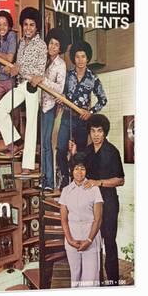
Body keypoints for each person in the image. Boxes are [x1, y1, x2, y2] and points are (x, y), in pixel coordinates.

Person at [69, 114, 125, 286]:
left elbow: (120, 180)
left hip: (108, 203)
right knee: (91, 244)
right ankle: (95, 283)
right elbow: (77, 169)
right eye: (93, 131)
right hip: (90, 205)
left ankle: (113, 282)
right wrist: (73, 154)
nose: (96, 135)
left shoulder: (112, 151)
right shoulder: (86, 151)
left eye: (99, 131)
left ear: (105, 132)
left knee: (109, 242)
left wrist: (99, 182)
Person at [0, 7, 47, 177]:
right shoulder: (22, 42)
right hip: (20, 85)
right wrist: (13, 70)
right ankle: (16, 143)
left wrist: (20, 71)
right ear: (22, 26)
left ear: (36, 27)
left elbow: (39, 71)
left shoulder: (41, 45)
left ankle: (28, 165)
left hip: (33, 87)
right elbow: (18, 65)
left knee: (31, 125)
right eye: (25, 24)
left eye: (32, 25)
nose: (28, 28)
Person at [56, 40, 107, 188]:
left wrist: (90, 112)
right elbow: (60, 94)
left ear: (88, 58)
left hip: (83, 120)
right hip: (67, 117)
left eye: (83, 57)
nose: (80, 60)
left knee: (80, 154)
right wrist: (60, 100)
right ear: (74, 58)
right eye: (77, 57)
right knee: (60, 149)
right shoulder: (68, 75)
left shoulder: (93, 78)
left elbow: (103, 99)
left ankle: (78, 181)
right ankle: (65, 177)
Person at [59, 153, 103, 287]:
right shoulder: (66, 191)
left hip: (91, 239)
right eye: (76, 168)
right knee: (75, 278)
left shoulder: (94, 189)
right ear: (72, 170)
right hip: (72, 239)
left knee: (90, 281)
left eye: (82, 168)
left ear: (86, 170)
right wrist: (70, 240)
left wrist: (89, 240)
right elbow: (64, 220)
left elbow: (98, 219)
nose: (79, 172)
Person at [37, 29, 69, 191]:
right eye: (51, 43)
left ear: (60, 48)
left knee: (47, 143)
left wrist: (44, 80)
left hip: (49, 107)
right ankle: (44, 178)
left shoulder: (61, 65)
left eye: (56, 45)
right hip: (38, 104)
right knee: (41, 144)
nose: (53, 47)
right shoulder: (42, 59)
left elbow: (59, 87)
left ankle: (49, 181)